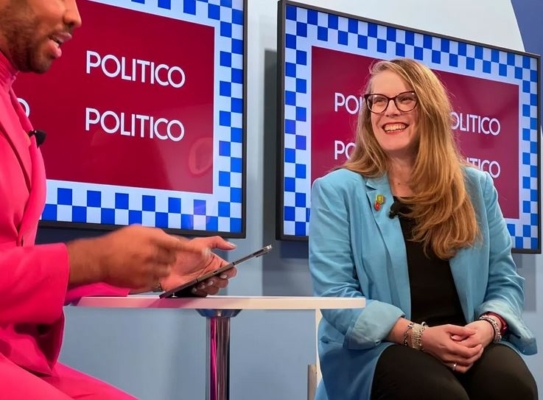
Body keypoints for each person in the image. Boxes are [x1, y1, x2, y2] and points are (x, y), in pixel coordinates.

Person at [0, 0, 237, 398]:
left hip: (22, 358)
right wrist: (94, 259)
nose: (75, 15)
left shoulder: (12, 106)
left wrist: (158, 273)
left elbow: (19, 268)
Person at [308, 58, 538, 400]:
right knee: (436, 394)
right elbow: (337, 295)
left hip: (465, 338)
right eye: (379, 101)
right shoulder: (338, 190)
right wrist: (418, 336)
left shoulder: (475, 187)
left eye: (405, 99)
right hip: (378, 348)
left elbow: (503, 281)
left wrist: (488, 327)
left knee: (512, 386)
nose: (389, 110)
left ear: (429, 108)